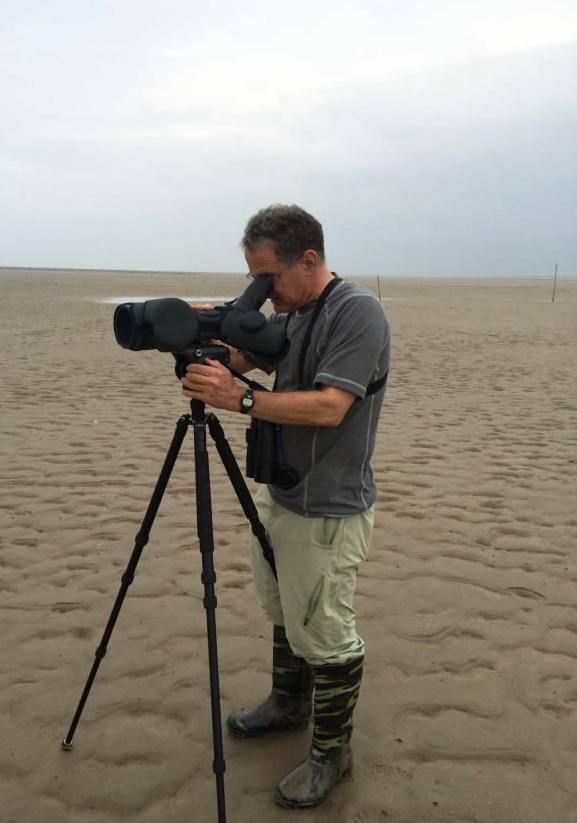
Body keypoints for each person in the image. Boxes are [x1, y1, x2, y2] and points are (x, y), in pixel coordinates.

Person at [181, 204, 390, 809]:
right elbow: (253, 359)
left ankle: (332, 754)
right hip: (281, 490)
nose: (262, 291)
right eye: (254, 278)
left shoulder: (356, 313)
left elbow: (329, 407)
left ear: (309, 259)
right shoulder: (291, 312)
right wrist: (207, 344)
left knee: (325, 630)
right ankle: (288, 702)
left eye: (267, 277)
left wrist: (240, 401)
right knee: (283, 608)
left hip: (328, 505)